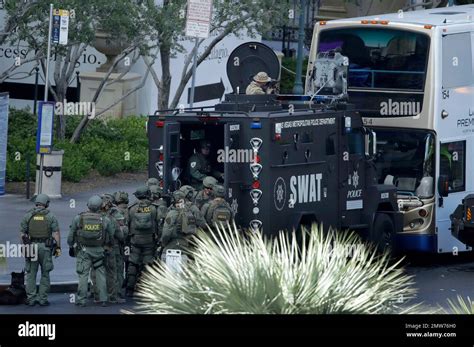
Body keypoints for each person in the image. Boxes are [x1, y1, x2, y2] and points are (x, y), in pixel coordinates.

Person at [68, 195, 115, 307]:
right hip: (99, 251)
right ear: (100, 206)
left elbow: (71, 235)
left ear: (88, 205)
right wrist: (107, 246)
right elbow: (111, 234)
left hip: (83, 251)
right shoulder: (105, 219)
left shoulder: (79, 218)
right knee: (101, 274)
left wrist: (71, 246)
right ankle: (103, 299)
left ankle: (81, 300)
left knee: (83, 275)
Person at [20, 194, 60, 306]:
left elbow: (22, 233)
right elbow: (56, 233)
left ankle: (31, 299)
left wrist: (24, 248)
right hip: (45, 248)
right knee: (45, 273)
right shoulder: (51, 216)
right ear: (46, 204)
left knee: (31, 273)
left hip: (31, 246)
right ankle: (43, 299)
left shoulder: (28, 215)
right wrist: (58, 249)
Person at [125, 186, 163, 297]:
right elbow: (159, 225)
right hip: (149, 240)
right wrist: (159, 239)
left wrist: (128, 240)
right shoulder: (154, 208)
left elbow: (126, 225)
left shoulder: (131, 208)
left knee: (133, 263)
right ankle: (147, 290)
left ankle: (129, 289)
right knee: (148, 264)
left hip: (135, 240)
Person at [90, 194, 125, 304]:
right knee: (111, 272)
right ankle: (112, 297)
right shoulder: (111, 218)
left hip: (94, 249)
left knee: (96, 272)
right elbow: (120, 236)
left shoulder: (87, 217)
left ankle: (97, 296)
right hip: (111, 248)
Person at [161, 190, 204, 264]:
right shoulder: (190, 213)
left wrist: (163, 243)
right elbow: (199, 226)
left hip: (172, 245)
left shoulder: (171, 214)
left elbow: (166, 233)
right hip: (187, 245)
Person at [113, 191, 129, 299]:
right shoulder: (130, 209)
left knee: (116, 267)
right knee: (127, 264)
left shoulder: (114, 212)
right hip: (129, 241)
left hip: (117, 243)